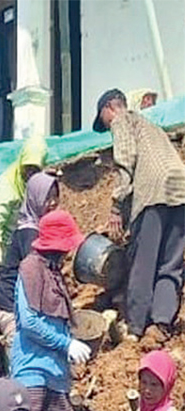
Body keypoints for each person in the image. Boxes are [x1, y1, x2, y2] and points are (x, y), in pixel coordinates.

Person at [95, 88, 185, 340]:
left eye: (104, 119)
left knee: (143, 262)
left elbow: (126, 161)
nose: (107, 124)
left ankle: (135, 327)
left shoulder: (122, 120)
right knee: (171, 263)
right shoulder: (152, 126)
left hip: (154, 192)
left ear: (109, 108)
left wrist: (116, 208)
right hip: (180, 190)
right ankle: (161, 324)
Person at [10, 209, 93, 411]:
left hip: (57, 376)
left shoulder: (54, 272)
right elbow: (29, 322)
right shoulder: (30, 269)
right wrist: (66, 344)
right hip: (32, 372)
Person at [0, 171, 60, 346]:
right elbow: (33, 277)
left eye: (55, 197)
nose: (52, 203)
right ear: (35, 198)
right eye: (47, 198)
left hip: (21, 304)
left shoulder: (38, 228)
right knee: (22, 350)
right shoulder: (30, 233)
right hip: (10, 306)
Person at [0, 135, 48, 280]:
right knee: (2, 279)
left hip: (13, 237)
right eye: (27, 168)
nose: (29, 173)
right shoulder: (9, 185)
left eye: (34, 169)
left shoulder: (31, 183)